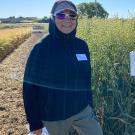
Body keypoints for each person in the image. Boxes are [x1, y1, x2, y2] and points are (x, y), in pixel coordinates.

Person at [23, 0, 103, 135]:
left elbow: (86, 78)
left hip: (82, 110)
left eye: (72, 15)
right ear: (53, 18)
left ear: (76, 19)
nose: (67, 19)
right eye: (61, 15)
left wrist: (89, 104)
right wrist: (35, 123)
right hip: (53, 116)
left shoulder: (82, 45)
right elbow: (29, 88)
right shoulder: (41, 48)